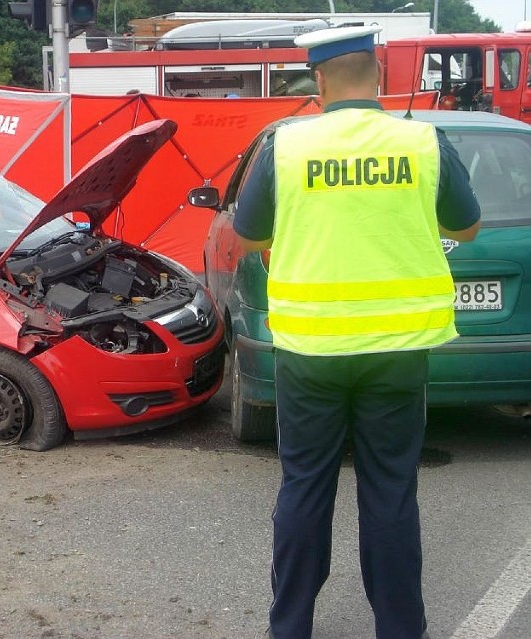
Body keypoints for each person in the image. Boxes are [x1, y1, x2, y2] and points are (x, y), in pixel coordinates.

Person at [230, 25, 481, 639]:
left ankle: (289, 627)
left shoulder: (287, 146)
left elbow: (250, 235)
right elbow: (467, 227)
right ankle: (401, 628)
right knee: (390, 491)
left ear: (318, 82)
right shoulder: (422, 141)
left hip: (309, 348)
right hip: (396, 350)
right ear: (380, 77)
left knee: (305, 487)